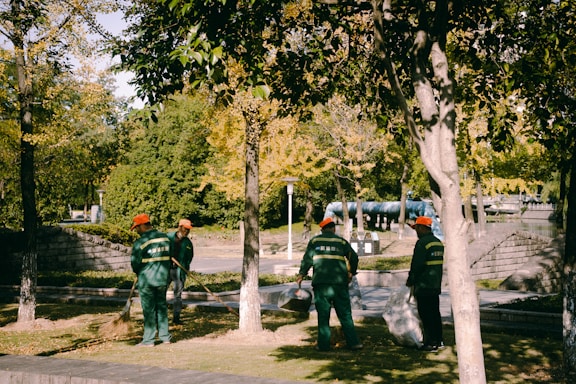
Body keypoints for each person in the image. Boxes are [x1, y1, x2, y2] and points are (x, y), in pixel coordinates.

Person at [296, 217, 363, 352]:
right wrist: (351, 273)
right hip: (339, 284)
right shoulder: (341, 242)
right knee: (345, 314)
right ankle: (354, 343)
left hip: (321, 284)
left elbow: (307, 259)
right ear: (333, 228)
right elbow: (354, 257)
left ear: (322, 230)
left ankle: (323, 345)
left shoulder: (315, 241)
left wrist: (301, 274)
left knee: (323, 315)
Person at [130, 213, 172, 347]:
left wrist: (138, 271)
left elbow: (135, 264)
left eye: (137, 227)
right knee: (162, 308)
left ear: (143, 225)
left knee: (149, 310)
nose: (136, 230)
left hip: (147, 280)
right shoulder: (165, 238)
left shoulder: (140, 242)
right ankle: (165, 337)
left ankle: (148, 340)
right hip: (162, 279)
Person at [406, 216, 445, 352]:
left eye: (416, 228)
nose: (416, 231)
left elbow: (417, 264)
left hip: (423, 285)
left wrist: (411, 280)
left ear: (422, 228)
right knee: (435, 313)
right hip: (435, 284)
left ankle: (430, 342)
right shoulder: (437, 242)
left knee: (426, 315)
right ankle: (439, 340)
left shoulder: (422, 243)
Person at [167, 218, 194, 325]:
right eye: (185, 229)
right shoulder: (168, 237)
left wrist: (185, 267)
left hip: (180, 272)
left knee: (177, 295)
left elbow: (190, 257)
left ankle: (176, 318)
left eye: (188, 229)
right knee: (160, 293)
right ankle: (159, 317)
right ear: (180, 227)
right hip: (167, 270)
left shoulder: (188, 243)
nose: (187, 231)